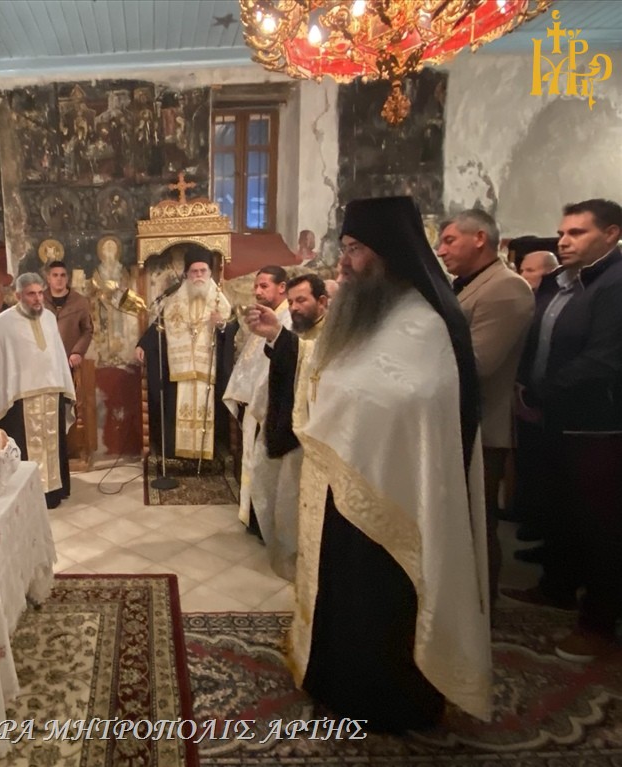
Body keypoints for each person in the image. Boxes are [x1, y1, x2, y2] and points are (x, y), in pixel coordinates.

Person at [255, 196, 491, 731]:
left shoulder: (424, 320)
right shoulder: (371, 311)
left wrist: (347, 412)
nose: (345, 261)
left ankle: (384, 699)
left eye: (356, 249)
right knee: (346, 593)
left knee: (381, 599)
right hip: (348, 482)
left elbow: (415, 398)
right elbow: (335, 371)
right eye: (345, 247)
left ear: (388, 253)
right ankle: (334, 677)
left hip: (396, 492)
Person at [506, 198, 622, 663]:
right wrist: (524, 385)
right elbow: (537, 339)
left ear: (611, 234)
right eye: (562, 233)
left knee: (600, 524)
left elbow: (605, 358)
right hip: (551, 416)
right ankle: (557, 587)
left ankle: (598, 621)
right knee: (561, 510)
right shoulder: (560, 282)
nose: (564, 241)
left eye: (577, 232)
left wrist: (542, 391)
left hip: (596, 423)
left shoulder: (614, 283)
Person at [437, 209, 534, 605]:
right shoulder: (469, 284)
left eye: (449, 240)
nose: (441, 250)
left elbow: (478, 364)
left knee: (477, 522)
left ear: (479, 238)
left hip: (482, 424)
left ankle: (480, 611)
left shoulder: (506, 288)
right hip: (456, 418)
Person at [243, 273, 329, 577]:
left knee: (296, 502)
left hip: (310, 435)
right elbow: (291, 358)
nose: (294, 308)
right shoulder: (302, 332)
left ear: (322, 301)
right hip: (288, 427)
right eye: (291, 302)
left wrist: (278, 335)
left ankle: (303, 564)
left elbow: (311, 360)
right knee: (283, 500)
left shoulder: (330, 334)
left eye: (301, 300)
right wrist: (274, 336)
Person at [0, 273, 76, 509]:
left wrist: (64, 385)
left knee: (53, 446)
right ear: (18, 296)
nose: (37, 299)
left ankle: (54, 492)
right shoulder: (4, 323)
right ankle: (29, 495)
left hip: (51, 392)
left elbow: (57, 355)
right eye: (31, 294)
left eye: (40, 293)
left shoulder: (49, 318)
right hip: (19, 398)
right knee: (24, 447)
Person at [135, 246, 233, 461]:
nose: (198, 276)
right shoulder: (174, 301)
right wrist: (143, 344)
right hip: (180, 373)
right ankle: (177, 452)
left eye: (203, 271)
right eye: (194, 271)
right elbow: (159, 326)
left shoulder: (221, 303)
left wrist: (222, 325)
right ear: (186, 274)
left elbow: (233, 331)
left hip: (209, 372)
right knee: (175, 408)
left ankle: (208, 454)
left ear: (210, 273)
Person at [222, 266, 290, 532]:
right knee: (254, 464)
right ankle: (254, 518)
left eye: (264, 286)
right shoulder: (267, 315)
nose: (257, 291)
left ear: (281, 287)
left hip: (270, 407)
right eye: (256, 286)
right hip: (255, 405)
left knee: (264, 467)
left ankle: (265, 525)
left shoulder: (286, 319)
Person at [43, 260, 93, 370]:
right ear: (48, 278)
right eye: (55, 275)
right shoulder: (40, 301)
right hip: (44, 361)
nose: (59, 279)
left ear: (67, 278)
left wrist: (77, 352)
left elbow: (87, 330)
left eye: (62, 275)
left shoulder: (79, 302)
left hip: (70, 361)